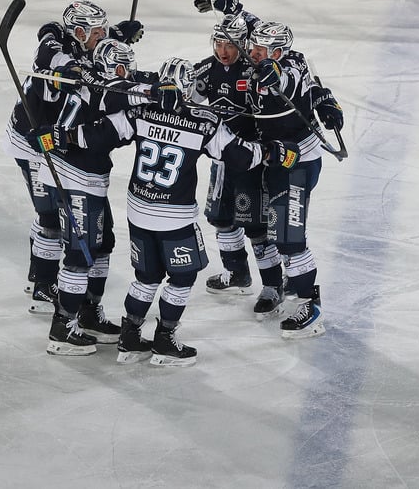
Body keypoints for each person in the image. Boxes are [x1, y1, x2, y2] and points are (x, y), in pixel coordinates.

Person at [34, 58, 299, 366]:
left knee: (146, 276)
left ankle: (130, 338)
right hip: (175, 215)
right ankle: (164, 340)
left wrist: (58, 136)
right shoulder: (204, 122)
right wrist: (274, 152)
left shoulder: (141, 111)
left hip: (138, 210)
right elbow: (239, 156)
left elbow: (99, 134)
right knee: (183, 276)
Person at [0, 0, 145, 352]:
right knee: (52, 221)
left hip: (57, 142)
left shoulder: (83, 48)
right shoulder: (57, 53)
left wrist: (116, 38)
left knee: (95, 239)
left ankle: (77, 303)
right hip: (34, 142)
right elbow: (59, 53)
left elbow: (88, 56)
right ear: (78, 33)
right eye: (95, 32)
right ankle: (45, 287)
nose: (100, 36)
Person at [190, 0, 286, 302]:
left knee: (255, 226)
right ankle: (238, 273)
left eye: (230, 44)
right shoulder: (206, 70)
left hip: (250, 158)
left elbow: (269, 36)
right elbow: (182, 93)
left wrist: (237, 9)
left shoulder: (256, 70)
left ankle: (273, 285)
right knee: (220, 219)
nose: (223, 50)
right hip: (221, 159)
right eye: (218, 43)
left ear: (243, 45)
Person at [248, 20, 342, 338]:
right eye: (253, 47)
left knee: (288, 236)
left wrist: (326, 102)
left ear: (277, 52)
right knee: (263, 226)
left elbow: (286, 78)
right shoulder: (278, 57)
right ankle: (280, 285)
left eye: (260, 50)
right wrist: (325, 99)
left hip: (298, 161)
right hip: (272, 157)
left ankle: (309, 305)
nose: (253, 53)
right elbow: (314, 88)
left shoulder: (285, 67)